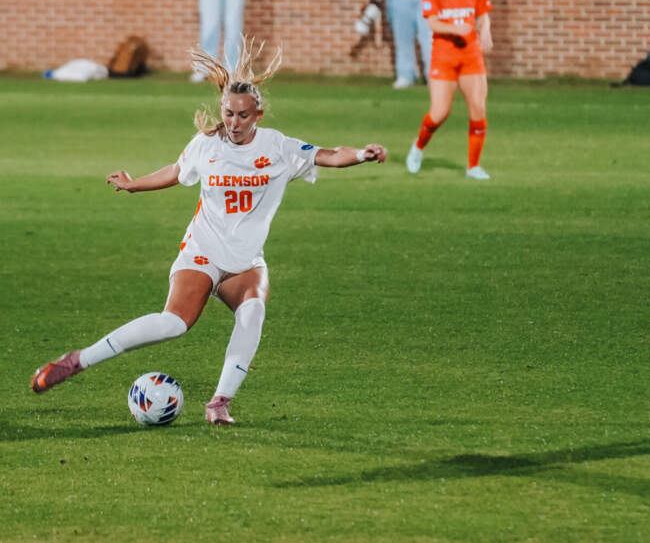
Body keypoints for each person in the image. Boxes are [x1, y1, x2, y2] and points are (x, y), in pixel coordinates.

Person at [30, 41, 388, 425]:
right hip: (202, 250)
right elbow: (176, 170)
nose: (234, 122)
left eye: (243, 115)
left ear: (258, 115)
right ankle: (77, 361)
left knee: (253, 312)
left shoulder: (278, 147)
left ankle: (219, 403)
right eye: (229, 113)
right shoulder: (207, 145)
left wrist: (363, 155)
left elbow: (330, 154)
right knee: (173, 324)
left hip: (245, 260)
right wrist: (135, 185)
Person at [406, 0, 493, 180]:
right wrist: (457, 29)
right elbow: (432, 22)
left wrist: (485, 29)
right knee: (440, 112)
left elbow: (483, 14)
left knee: (478, 108)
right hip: (444, 57)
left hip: (471, 56)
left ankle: (473, 166)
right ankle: (418, 147)